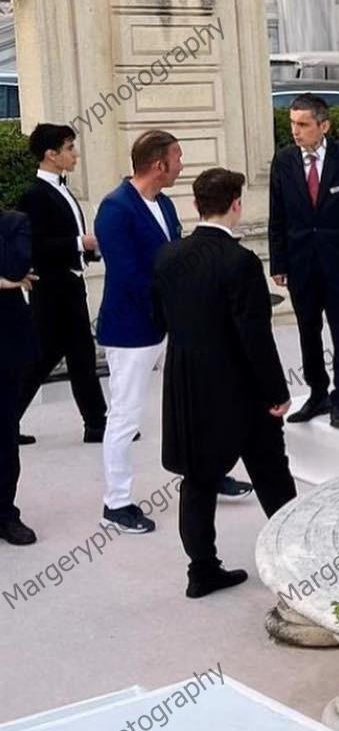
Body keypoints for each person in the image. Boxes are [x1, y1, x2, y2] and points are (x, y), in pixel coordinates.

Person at [152, 168, 297, 597]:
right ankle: (294, 558)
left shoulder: (168, 256)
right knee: (271, 474)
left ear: (196, 205)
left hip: (187, 384)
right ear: (236, 204)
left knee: (198, 481)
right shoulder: (241, 261)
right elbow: (255, 336)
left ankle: (201, 571)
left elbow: (160, 317)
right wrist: (277, 391)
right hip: (241, 388)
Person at [93, 129, 186, 535]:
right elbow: (129, 275)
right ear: (158, 164)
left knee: (189, 402)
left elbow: (175, 255)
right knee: (125, 415)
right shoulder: (115, 209)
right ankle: (116, 504)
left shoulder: (164, 203)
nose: (181, 165)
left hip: (170, 322)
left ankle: (204, 474)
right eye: (177, 158)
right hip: (131, 328)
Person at [268, 93, 339, 430]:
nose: (295, 131)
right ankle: (318, 394)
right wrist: (278, 263)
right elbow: (277, 216)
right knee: (308, 332)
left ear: (323, 125)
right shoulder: (283, 161)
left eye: (303, 124)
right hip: (301, 265)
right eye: (292, 124)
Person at [15, 122, 107, 444]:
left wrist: (90, 250)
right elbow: (36, 246)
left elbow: (67, 239)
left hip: (70, 285)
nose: (75, 154)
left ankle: (96, 424)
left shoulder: (62, 190)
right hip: (52, 289)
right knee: (43, 358)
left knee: (79, 355)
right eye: (69, 148)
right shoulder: (34, 195)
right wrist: (80, 243)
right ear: (51, 155)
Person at [0, 209, 40, 547]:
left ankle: (4, 514)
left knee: (3, 434)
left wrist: (7, 279)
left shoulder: (14, 223)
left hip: (6, 347)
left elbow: (14, 267)